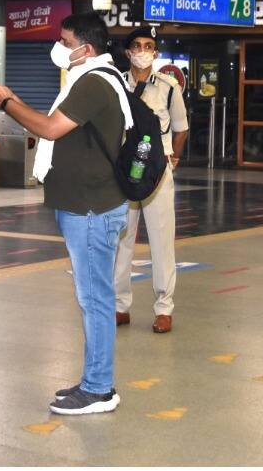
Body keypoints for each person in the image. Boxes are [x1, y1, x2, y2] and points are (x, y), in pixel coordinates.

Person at [0, 12, 133, 415]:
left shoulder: (94, 82)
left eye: (65, 41)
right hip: (88, 205)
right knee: (93, 296)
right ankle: (94, 379)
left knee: (95, 299)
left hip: (91, 208)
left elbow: (49, 129)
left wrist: (7, 102)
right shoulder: (93, 79)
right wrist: (8, 98)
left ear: (86, 47)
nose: (60, 47)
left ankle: (99, 389)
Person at [112, 27, 188, 334]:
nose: (143, 51)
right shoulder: (115, 84)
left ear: (155, 53)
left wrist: (173, 157)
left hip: (157, 173)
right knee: (122, 240)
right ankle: (119, 305)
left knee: (161, 240)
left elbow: (181, 128)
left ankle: (163, 308)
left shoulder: (169, 87)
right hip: (125, 174)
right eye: (137, 46)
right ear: (128, 51)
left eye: (149, 46)